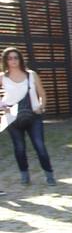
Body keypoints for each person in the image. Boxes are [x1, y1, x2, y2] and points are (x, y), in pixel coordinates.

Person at [0, 46, 56, 186]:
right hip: (13, 118)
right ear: (6, 60)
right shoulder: (3, 77)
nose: (13, 60)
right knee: (19, 148)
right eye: (10, 58)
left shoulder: (31, 74)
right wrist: (3, 108)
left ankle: (49, 174)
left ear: (20, 59)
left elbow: (42, 93)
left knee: (40, 146)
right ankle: (24, 175)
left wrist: (41, 106)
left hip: (33, 116)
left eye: (16, 57)